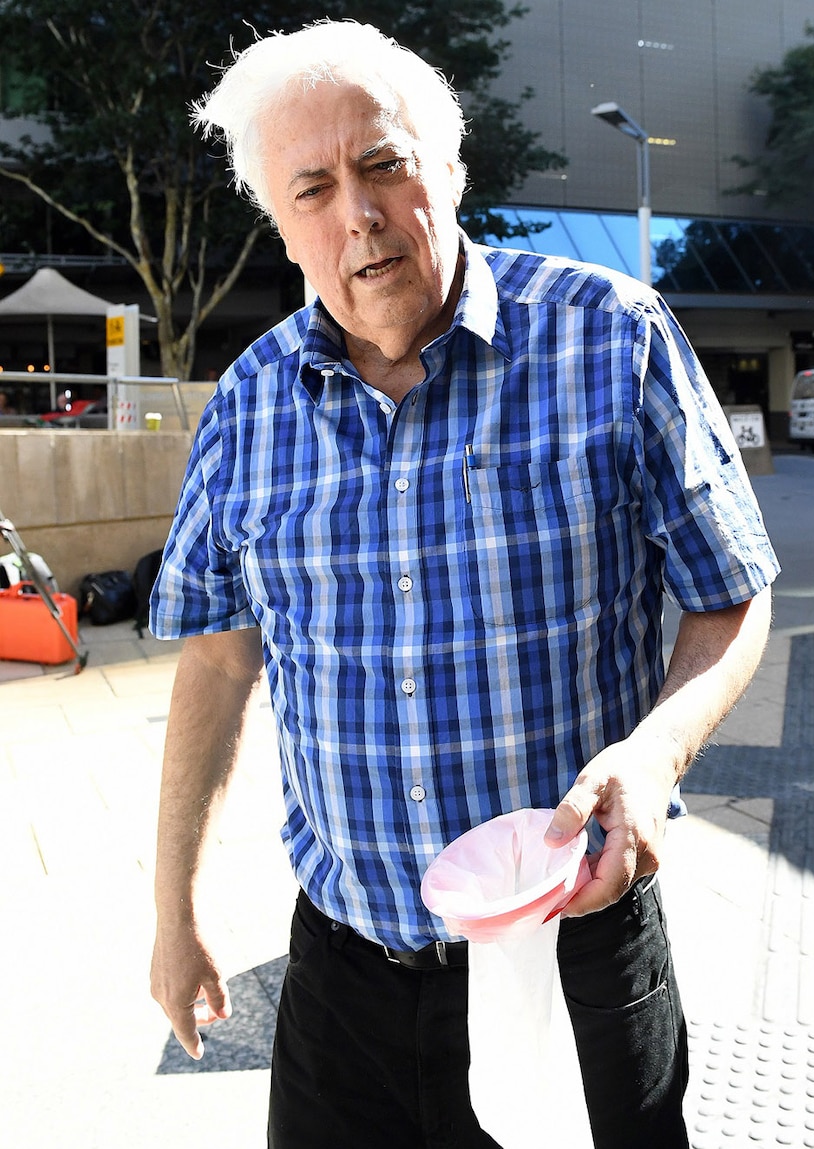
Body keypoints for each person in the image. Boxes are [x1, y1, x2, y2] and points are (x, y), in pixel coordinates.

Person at [148, 20, 779, 1149]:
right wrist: (173, 911)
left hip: (573, 955)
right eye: (312, 188)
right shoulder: (243, 410)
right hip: (342, 984)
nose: (357, 213)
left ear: (447, 168)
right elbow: (217, 659)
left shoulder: (610, 341)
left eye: (383, 163)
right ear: (281, 223)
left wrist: (655, 753)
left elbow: (732, 592)